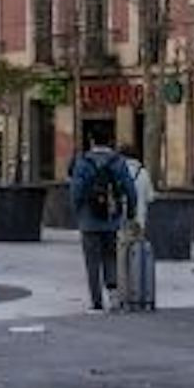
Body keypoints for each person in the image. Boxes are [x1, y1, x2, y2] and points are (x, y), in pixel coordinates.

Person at [70, 125, 138, 312]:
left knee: (92, 262)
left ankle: (96, 302)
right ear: (110, 141)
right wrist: (130, 212)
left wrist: (77, 211)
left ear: (91, 140)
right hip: (112, 218)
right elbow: (129, 189)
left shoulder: (83, 162)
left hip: (88, 220)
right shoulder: (118, 161)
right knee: (111, 257)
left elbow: (76, 191)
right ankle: (114, 297)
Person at [120, 145, 156, 229]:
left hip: (120, 220)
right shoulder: (143, 173)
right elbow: (150, 197)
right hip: (139, 220)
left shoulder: (118, 172)